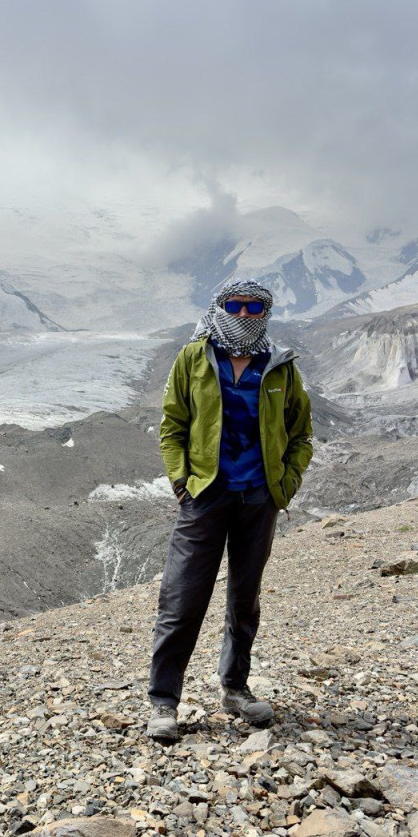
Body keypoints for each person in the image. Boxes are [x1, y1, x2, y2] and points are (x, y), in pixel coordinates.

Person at [146, 279, 313, 741]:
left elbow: (301, 433)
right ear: (220, 307)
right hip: (205, 495)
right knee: (181, 600)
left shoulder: (279, 366)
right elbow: (172, 424)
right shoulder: (194, 358)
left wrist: (287, 483)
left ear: (266, 311)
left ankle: (235, 689)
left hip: (259, 499)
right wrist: (182, 483)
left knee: (244, 599)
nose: (244, 314)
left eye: (254, 306)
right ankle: (163, 701)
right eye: (235, 305)